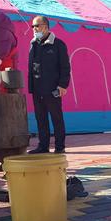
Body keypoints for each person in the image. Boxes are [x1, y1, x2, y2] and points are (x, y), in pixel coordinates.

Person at [27, 15, 71, 154]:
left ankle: (59, 147)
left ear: (45, 27)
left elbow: (65, 67)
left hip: (53, 88)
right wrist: (32, 86)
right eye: (33, 26)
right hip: (37, 88)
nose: (34, 29)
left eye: (37, 26)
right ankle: (43, 146)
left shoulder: (58, 44)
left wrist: (63, 85)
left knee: (56, 118)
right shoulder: (33, 44)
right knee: (41, 118)